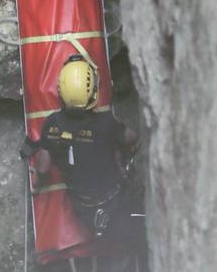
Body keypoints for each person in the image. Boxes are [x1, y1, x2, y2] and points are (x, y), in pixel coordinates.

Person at [21, 55, 142, 248]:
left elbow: (43, 168)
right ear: (92, 92)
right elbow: (132, 138)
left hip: (82, 209)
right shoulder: (105, 123)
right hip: (115, 202)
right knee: (132, 237)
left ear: (61, 91)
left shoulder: (52, 125)